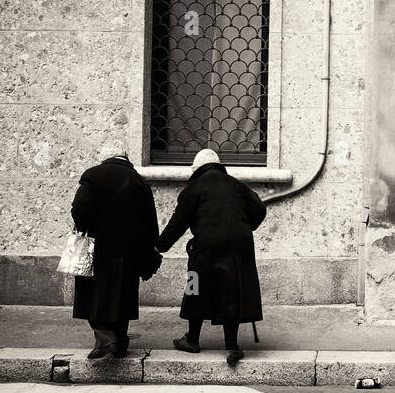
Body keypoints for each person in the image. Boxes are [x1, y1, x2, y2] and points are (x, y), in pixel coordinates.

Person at [155, 148, 265, 366]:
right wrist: (245, 226)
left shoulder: (193, 188)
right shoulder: (237, 185)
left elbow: (178, 222)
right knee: (231, 290)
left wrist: (160, 246)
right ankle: (232, 346)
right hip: (238, 246)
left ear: (196, 169)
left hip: (205, 246)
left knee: (194, 287)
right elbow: (259, 210)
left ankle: (192, 339)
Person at [70, 140, 161, 360]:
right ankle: (119, 342)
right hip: (130, 251)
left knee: (94, 295)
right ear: (125, 157)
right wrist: (149, 254)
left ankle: (105, 338)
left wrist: (83, 226)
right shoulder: (140, 182)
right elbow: (151, 223)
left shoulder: (94, 175)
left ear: (105, 157)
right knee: (123, 296)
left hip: (99, 248)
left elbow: (80, 209)